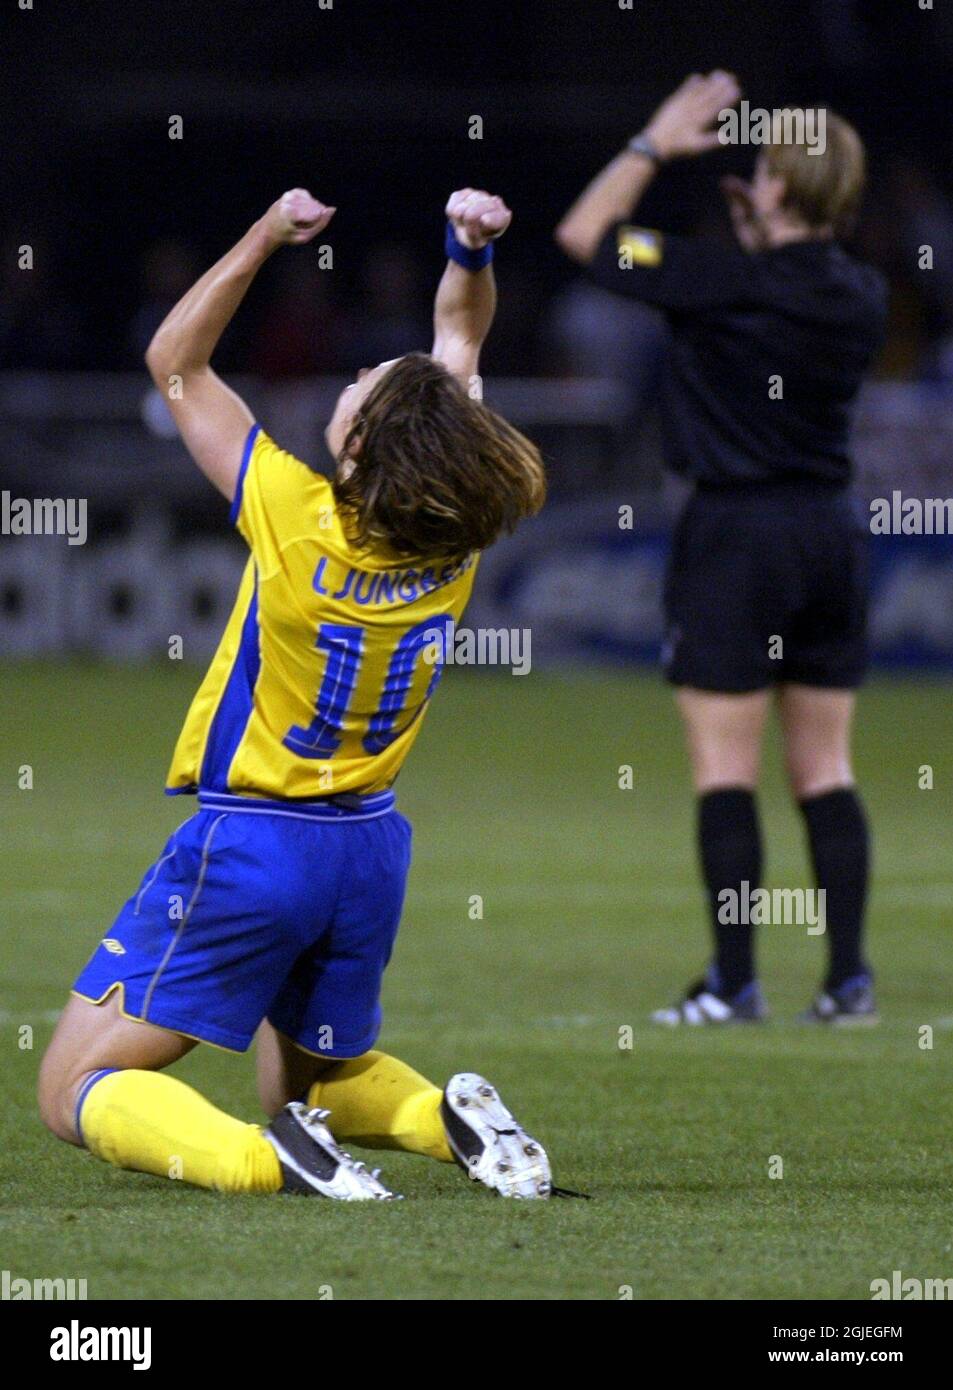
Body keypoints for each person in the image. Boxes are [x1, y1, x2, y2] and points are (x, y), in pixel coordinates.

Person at [38, 186, 554, 1199]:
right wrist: (467, 250)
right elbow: (455, 334)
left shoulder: (291, 510)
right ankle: (444, 1119)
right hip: (366, 849)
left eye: (366, 385)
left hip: (254, 841)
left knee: (74, 1087)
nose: (360, 375)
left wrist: (263, 236)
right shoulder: (453, 541)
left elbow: (174, 364)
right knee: (308, 1084)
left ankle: (255, 1160)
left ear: (358, 447)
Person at [555, 73, 888, 1025]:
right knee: (824, 768)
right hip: (829, 531)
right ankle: (847, 981)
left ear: (774, 187)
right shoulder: (862, 293)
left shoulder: (714, 276)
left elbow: (586, 237)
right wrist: (760, 233)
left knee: (725, 770)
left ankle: (734, 982)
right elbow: (786, 287)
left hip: (734, 536)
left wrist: (655, 139)